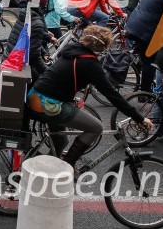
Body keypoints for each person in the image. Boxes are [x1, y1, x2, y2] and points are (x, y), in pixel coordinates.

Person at [28, 25, 153, 165]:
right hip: (47, 104)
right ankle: (67, 167)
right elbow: (112, 94)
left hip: (36, 97)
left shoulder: (73, 52)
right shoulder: (90, 64)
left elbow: (61, 81)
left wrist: (71, 100)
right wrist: (139, 118)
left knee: (61, 141)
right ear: (102, 48)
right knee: (96, 127)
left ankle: (48, 170)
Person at [5, 0, 54, 81]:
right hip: (18, 64)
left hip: (10, 58)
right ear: (40, 6)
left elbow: (31, 41)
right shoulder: (37, 22)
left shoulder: (25, 14)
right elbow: (34, 56)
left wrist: (44, 53)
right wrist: (47, 72)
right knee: (39, 85)